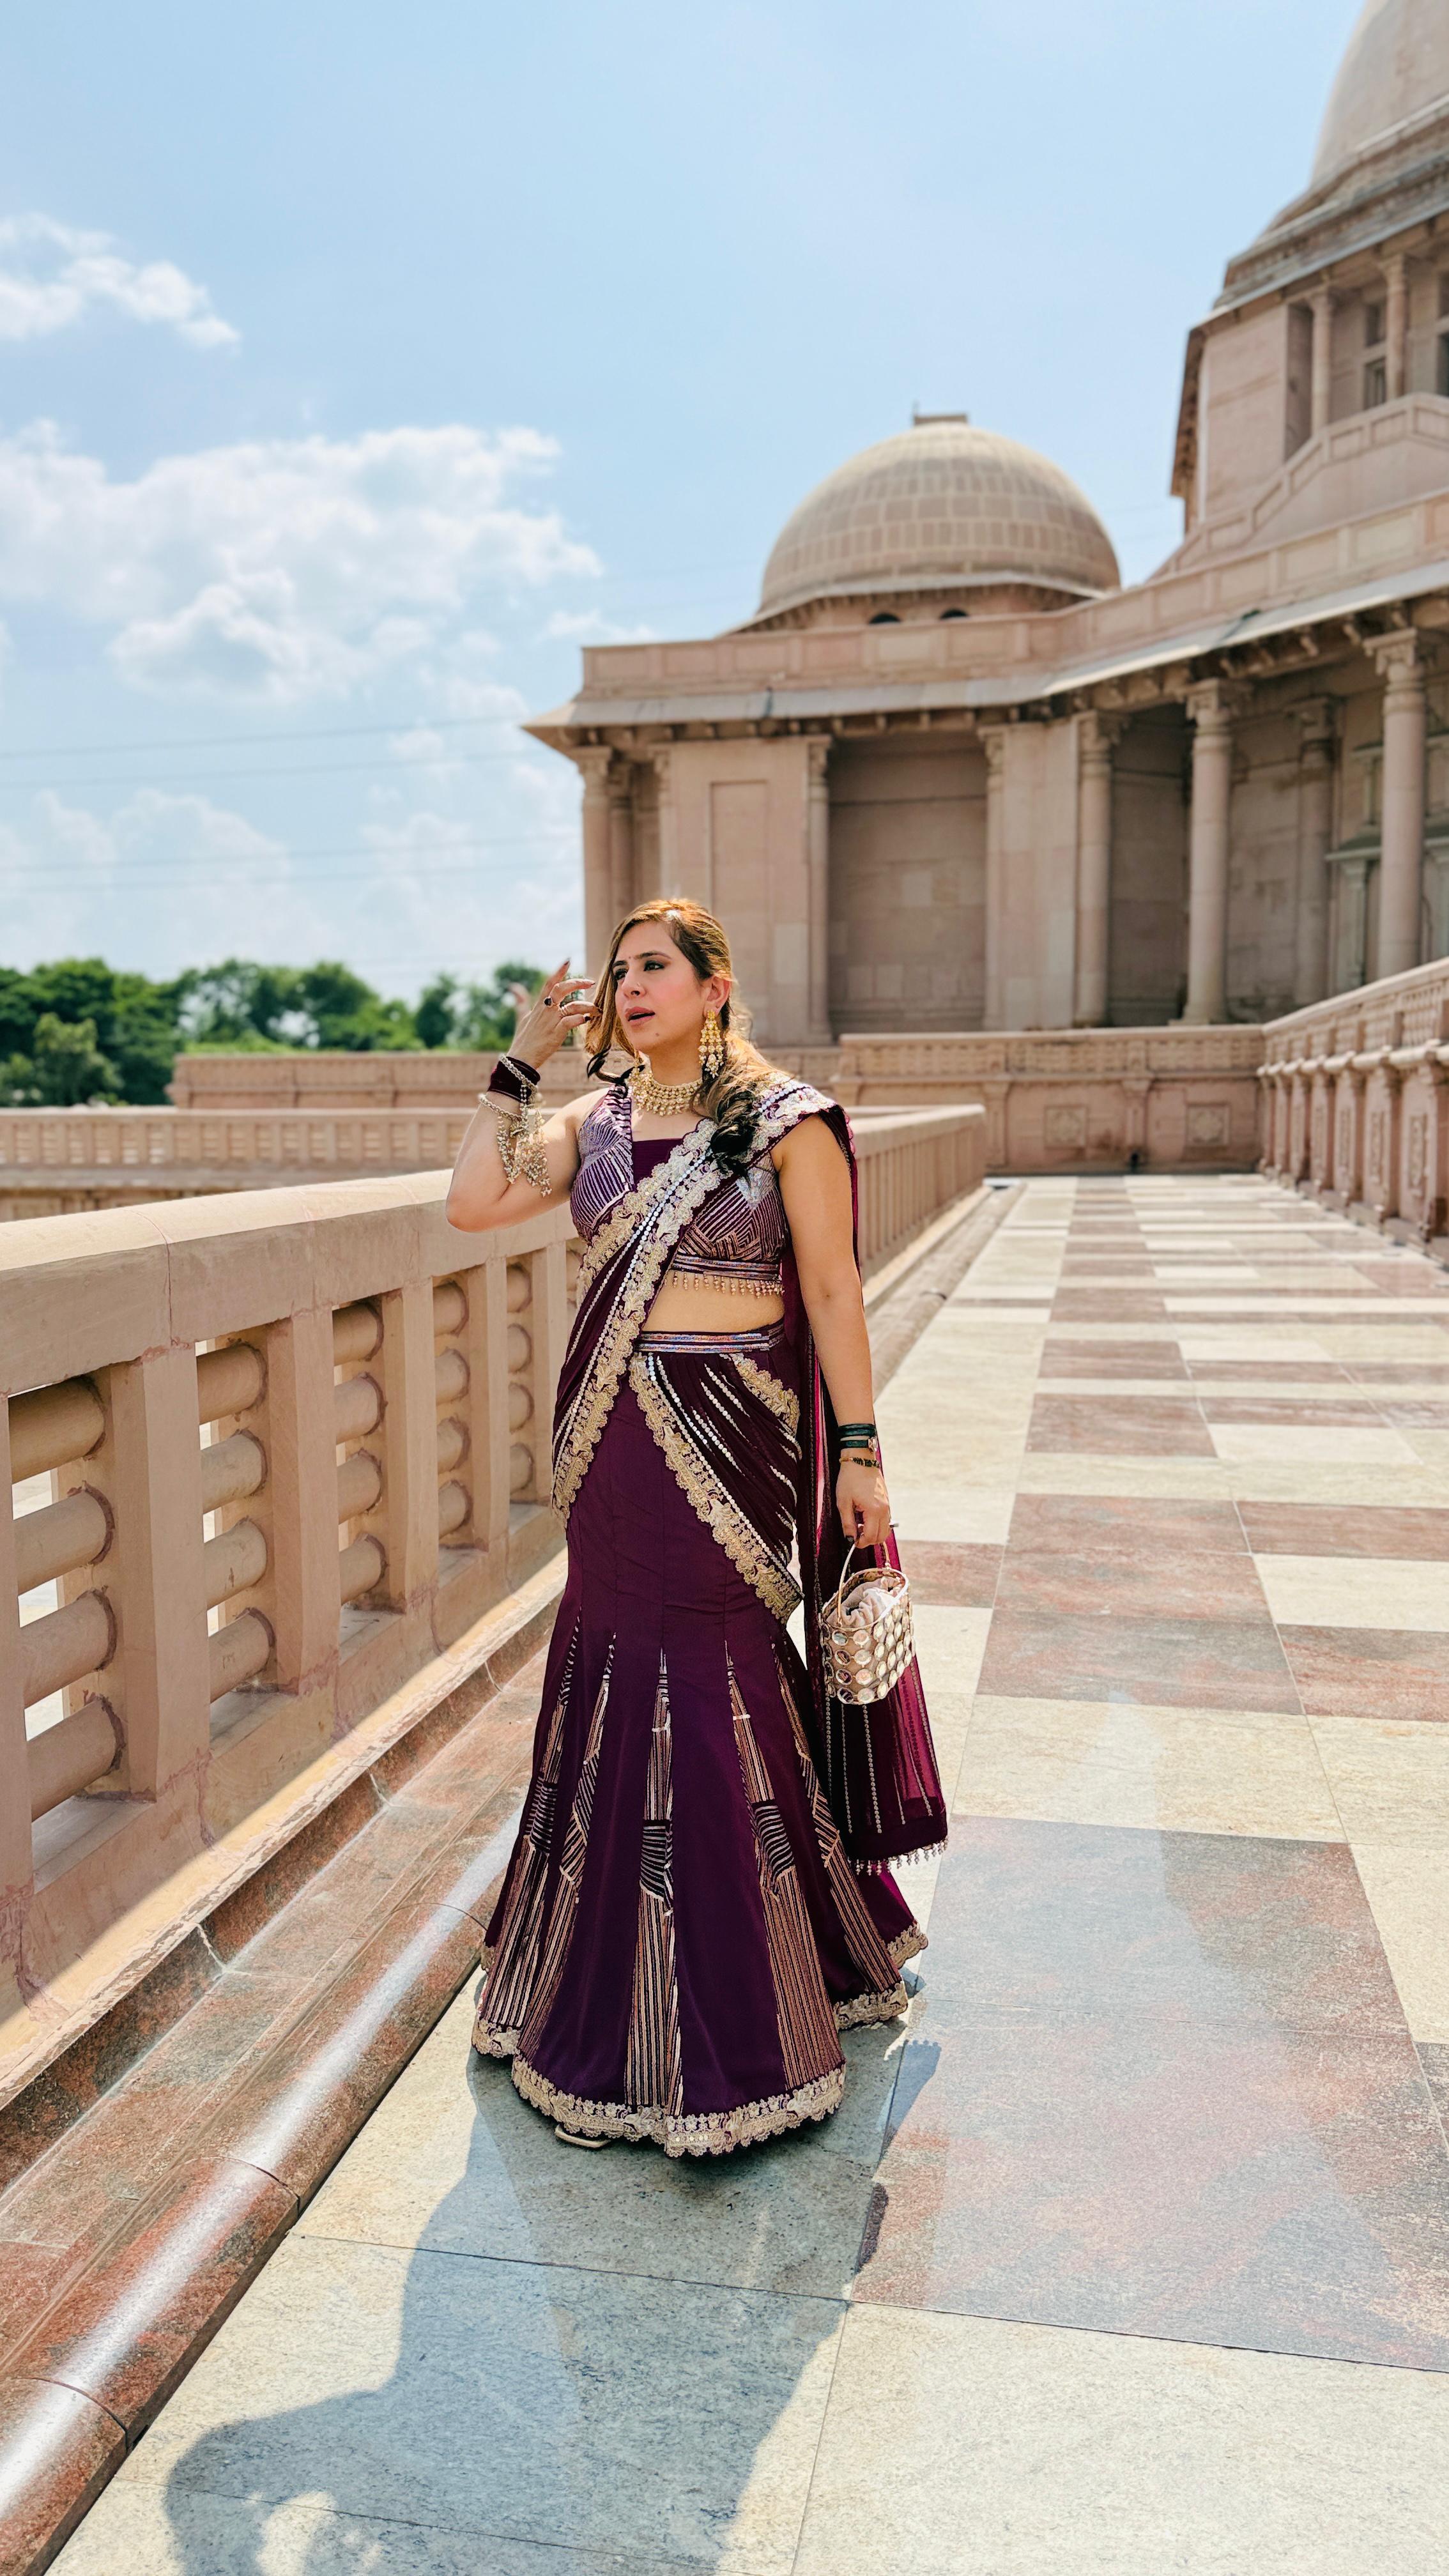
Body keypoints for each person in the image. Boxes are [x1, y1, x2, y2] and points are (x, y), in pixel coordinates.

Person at [445, 898, 946, 2156]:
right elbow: (470, 1203)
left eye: (656, 967)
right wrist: (520, 1055)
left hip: (736, 1434)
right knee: (615, 1666)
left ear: (718, 987)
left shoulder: (784, 1118)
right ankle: (604, 1994)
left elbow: (830, 1287)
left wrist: (862, 1450)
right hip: (612, 1447)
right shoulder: (592, 1123)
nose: (631, 988)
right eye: (617, 974)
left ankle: (753, 1998)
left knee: (717, 1673)